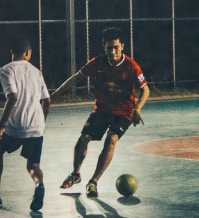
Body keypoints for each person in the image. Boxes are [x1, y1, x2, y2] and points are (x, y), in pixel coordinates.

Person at [52, 30, 150, 197]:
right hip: (102, 111)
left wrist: (137, 108)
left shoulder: (132, 67)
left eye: (116, 48)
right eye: (109, 48)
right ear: (104, 47)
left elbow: (145, 90)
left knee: (111, 140)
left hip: (123, 112)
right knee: (83, 140)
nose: (112, 52)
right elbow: (75, 78)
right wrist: (53, 96)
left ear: (122, 47)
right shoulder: (96, 63)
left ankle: (93, 182)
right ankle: (76, 174)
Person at [0, 35, 50, 213]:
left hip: (16, 127)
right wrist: (41, 123)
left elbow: (12, 96)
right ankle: (39, 184)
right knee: (33, 166)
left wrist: (1, 126)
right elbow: (47, 100)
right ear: (28, 53)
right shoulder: (37, 71)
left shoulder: (6, 70)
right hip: (36, 127)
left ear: (12, 52)